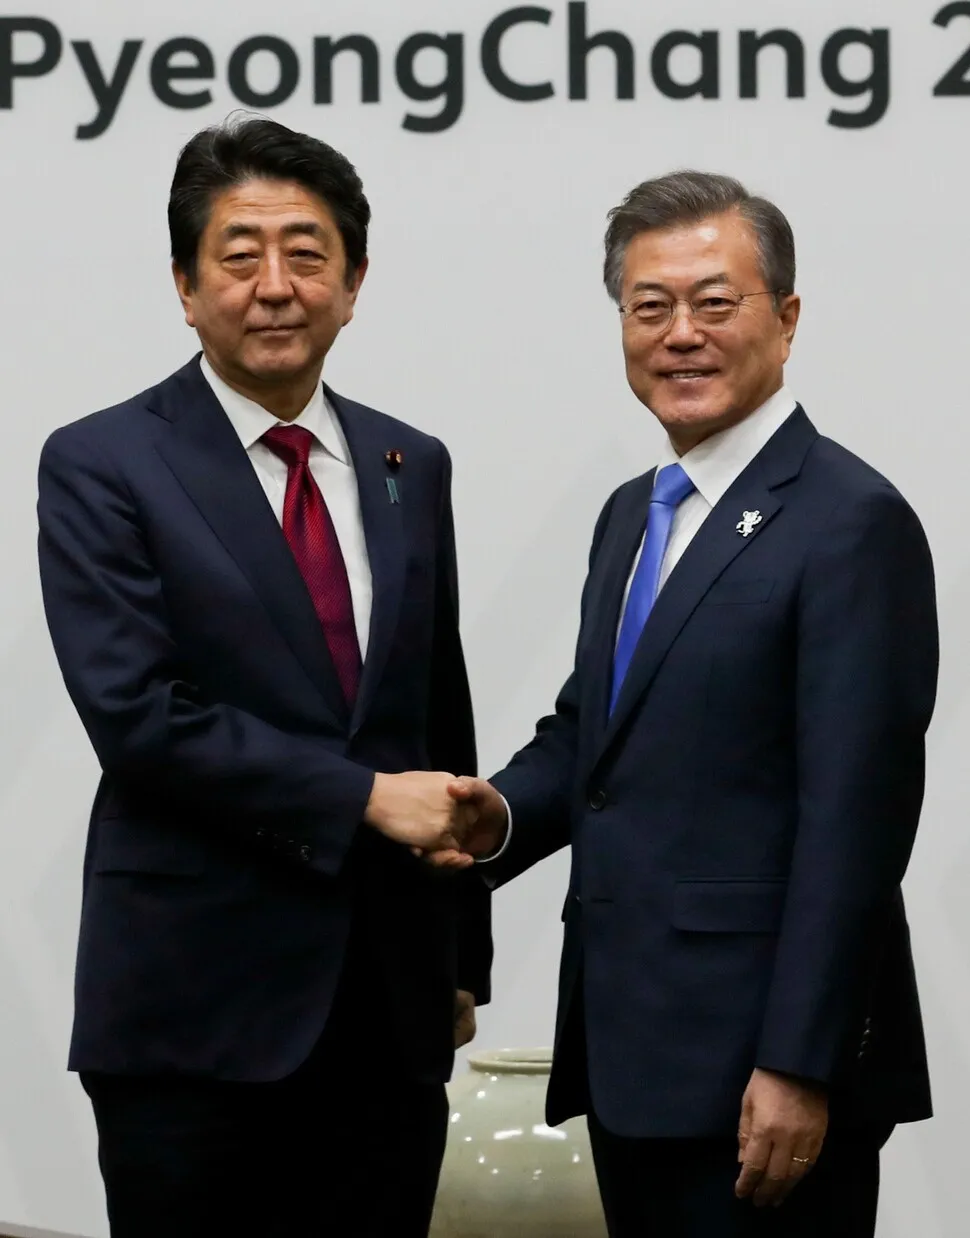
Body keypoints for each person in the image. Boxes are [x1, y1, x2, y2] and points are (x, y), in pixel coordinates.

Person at [432, 171, 938, 1237]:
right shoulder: (634, 514)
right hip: (633, 1054)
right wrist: (502, 816)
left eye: (716, 302)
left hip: (760, 1072)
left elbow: (855, 823)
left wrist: (798, 1061)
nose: (680, 334)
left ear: (787, 319)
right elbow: (595, 733)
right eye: (648, 306)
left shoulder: (849, 522)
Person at [37, 116, 490, 1238]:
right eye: (240, 256)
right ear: (187, 286)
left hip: (387, 1006)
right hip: (196, 1012)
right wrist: (364, 798)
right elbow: (140, 716)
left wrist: (458, 955)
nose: (275, 285)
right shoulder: (104, 462)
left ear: (354, 281)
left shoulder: (407, 461)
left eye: (307, 252)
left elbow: (437, 703)